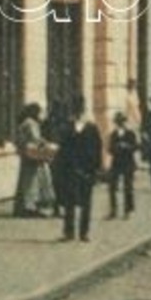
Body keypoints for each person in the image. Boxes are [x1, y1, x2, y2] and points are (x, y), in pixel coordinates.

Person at [53, 102, 102, 242]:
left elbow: (97, 150)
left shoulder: (92, 128)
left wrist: (96, 170)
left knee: (86, 203)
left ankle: (84, 233)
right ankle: (69, 232)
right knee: (70, 203)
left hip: (86, 170)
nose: (79, 115)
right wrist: (61, 169)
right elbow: (62, 151)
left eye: (80, 111)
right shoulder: (67, 129)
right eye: (76, 112)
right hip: (71, 170)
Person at [13, 103, 53, 218]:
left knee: (26, 181)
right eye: (39, 112)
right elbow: (35, 138)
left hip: (27, 155)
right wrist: (46, 144)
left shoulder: (25, 122)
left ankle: (24, 207)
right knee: (32, 182)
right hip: (33, 156)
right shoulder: (31, 123)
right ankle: (30, 207)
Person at [106, 112, 139, 220]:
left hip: (128, 162)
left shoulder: (130, 133)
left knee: (128, 188)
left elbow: (136, 147)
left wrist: (126, 146)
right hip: (116, 162)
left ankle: (127, 210)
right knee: (112, 187)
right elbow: (109, 149)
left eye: (121, 121)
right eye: (118, 122)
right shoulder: (113, 134)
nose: (120, 124)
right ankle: (113, 210)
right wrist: (116, 147)